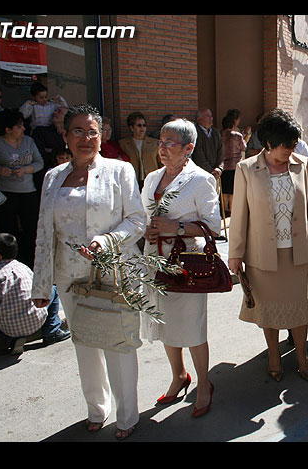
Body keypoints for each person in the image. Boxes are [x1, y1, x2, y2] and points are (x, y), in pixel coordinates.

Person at [31, 104, 146, 440]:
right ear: (65, 137)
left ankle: (127, 416)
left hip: (112, 272)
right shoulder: (53, 177)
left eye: (92, 131)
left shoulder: (119, 171)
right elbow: (43, 231)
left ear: (102, 135)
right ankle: (97, 408)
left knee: (118, 345)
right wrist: (41, 285)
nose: (86, 138)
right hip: (69, 277)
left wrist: (106, 241)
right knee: (85, 344)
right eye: (77, 131)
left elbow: (138, 220)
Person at [228, 108, 308, 383]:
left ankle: (301, 355)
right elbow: (239, 215)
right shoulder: (247, 169)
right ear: (269, 143)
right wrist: (235, 254)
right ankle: (273, 355)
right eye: (285, 144)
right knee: (269, 310)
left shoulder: (302, 164)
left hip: (297, 254)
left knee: (299, 309)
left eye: (294, 143)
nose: (291, 149)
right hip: (263, 255)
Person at [141, 118, 221, 418]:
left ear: (188, 148)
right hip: (155, 261)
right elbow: (143, 215)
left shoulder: (200, 180)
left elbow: (213, 226)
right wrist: (148, 230)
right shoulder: (151, 179)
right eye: (160, 141)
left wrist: (177, 227)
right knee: (164, 322)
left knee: (192, 326)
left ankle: (204, 383)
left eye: (169, 143)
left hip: (187, 264)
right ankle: (178, 375)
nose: (162, 148)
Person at [0, 233, 70, 355]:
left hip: (7, 328)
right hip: (36, 320)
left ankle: (11, 339)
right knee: (53, 290)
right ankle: (51, 332)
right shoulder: (23, 267)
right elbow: (39, 290)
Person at [0, 108, 44, 268]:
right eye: (19, 126)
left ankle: (30, 263)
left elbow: (39, 162)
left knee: (31, 230)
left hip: (28, 192)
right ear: (8, 129)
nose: (23, 129)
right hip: (5, 194)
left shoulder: (28, 141)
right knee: (8, 231)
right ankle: (9, 264)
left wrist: (26, 170)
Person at [118, 111, 161, 188]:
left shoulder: (154, 143)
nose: (142, 128)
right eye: (139, 125)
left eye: (144, 125)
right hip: (132, 181)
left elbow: (161, 163)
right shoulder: (123, 143)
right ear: (131, 128)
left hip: (151, 181)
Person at [32, 105, 68, 190]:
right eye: (55, 110)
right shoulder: (40, 131)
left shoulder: (71, 134)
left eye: (59, 111)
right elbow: (39, 154)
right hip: (44, 178)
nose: (54, 113)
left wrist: (51, 150)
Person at [220, 113, 246, 215]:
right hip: (234, 165)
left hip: (222, 165)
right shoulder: (237, 135)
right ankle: (231, 211)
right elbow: (244, 147)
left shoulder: (219, 134)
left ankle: (223, 210)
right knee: (232, 190)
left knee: (224, 190)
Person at [191, 108, 223, 180]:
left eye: (211, 116)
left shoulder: (215, 132)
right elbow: (198, 154)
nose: (211, 118)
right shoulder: (195, 133)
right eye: (207, 116)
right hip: (200, 174)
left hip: (215, 174)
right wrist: (211, 170)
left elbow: (220, 151)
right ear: (199, 120)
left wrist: (219, 168)